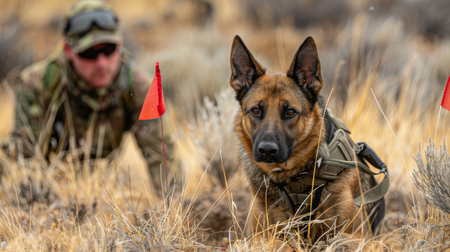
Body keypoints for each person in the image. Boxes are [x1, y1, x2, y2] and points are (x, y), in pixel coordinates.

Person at [2, 0, 167, 183]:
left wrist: (173, 206)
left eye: (108, 49)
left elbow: (162, 158)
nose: (102, 63)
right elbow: (26, 161)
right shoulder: (35, 84)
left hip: (102, 180)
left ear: (120, 44)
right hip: (49, 175)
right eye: (89, 53)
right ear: (68, 51)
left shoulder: (141, 87)